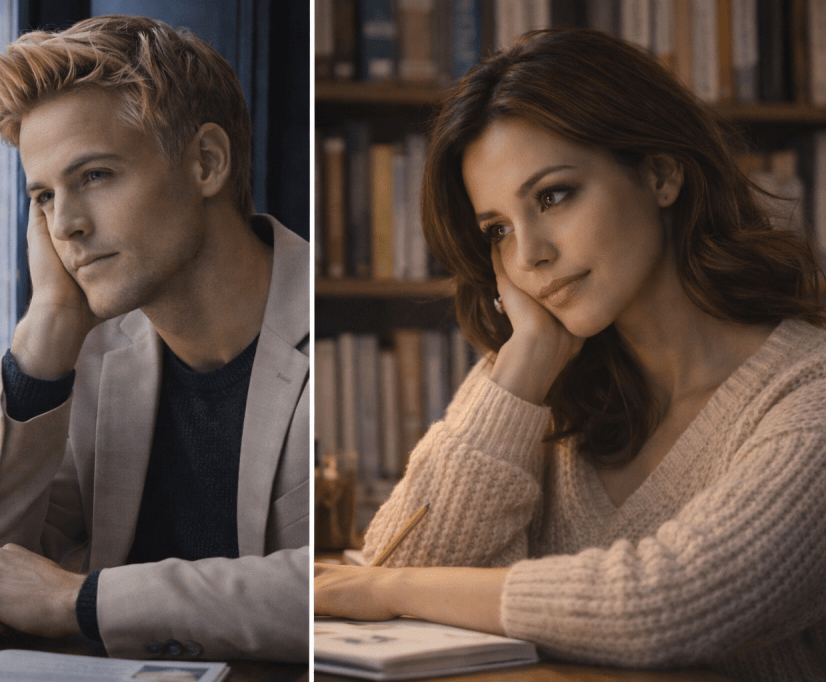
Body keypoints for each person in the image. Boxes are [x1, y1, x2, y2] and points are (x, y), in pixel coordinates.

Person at [314, 28, 826, 681]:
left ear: (661, 173)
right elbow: (401, 558)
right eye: (497, 230)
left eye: (553, 196)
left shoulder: (808, 396)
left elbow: (668, 604)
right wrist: (523, 364)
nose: (528, 256)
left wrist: (390, 592)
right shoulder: (537, 381)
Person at [0, 15, 309, 663]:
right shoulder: (87, 356)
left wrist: (83, 600)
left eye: (94, 176)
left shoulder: (332, 331)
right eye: (43, 196)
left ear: (206, 161)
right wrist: (46, 329)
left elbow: (336, 589)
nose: (64, 224)